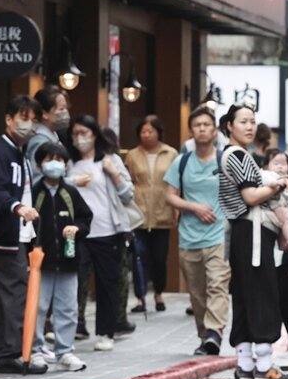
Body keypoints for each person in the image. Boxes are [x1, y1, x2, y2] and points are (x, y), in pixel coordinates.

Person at [218, 107, 288, 379]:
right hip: (251, 231)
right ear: (229, 126)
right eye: (243, 122)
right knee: (262, 293)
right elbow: (250, 196)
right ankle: (263, 364)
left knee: (245, 294)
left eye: (253, 121)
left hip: (245, 232)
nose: (249, 127)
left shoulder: (239, 154)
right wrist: (278, 185)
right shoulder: (236, 155)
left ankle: (245, 363)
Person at [0, 96, 47, 374]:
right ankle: (11, 354)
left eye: (34, 120)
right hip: (6, 236)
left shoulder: (17, 153)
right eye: (23, 118)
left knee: (7, 293)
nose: (29, 125)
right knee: (15, 293)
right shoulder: (0, 152)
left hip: (15, 234)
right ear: (8, 119)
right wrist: (18, 207)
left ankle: (1, 352)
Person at [164, 106, 230, 356]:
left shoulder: (224, 159)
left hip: (219, 235)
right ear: (191, 131)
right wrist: (193, 207)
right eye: (197, 125)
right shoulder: (181, 162)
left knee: (217, 285)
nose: (202, 129)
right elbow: (169, 196)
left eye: (206, 125)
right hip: (189, 237)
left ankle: (215, 332)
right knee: (197, 292)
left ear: (214, 131)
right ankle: (205, 336)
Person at [69, 115, 136, 352]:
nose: (79, 138)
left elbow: (129, 194)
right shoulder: (69, 163)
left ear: (94, 135)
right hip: (77, 232)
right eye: (75, 133)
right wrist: (71, 180)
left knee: (108, 282)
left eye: (84, 133)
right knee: (74, 280)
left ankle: (106, 331)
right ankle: (73, 327)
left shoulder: (109, 160)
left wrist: (114, 173)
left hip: (107, 230)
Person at [29, 142, 91, 371]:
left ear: (66, 164)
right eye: (48, 159)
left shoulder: (70, 193)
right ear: (39, 164)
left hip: (68, 260)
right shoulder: (34, 193)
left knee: (67, 307)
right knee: (39, 306)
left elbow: (86, 219)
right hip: (40, 263)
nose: (54, 164)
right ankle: (36, 350)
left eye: (59, 159)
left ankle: (65, 351)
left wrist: (76, 229)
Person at [124, 116, 176, 314]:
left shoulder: (171, 153)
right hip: (139, 214)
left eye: (150, 131)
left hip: (163, 213)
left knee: (159, 257)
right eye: (143, 131)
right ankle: (140, 297)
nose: (147, 135)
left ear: (158, 132)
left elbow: (176, 183)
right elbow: (128, 181)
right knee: (138, 257)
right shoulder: (132, 155)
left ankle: (159, 293)